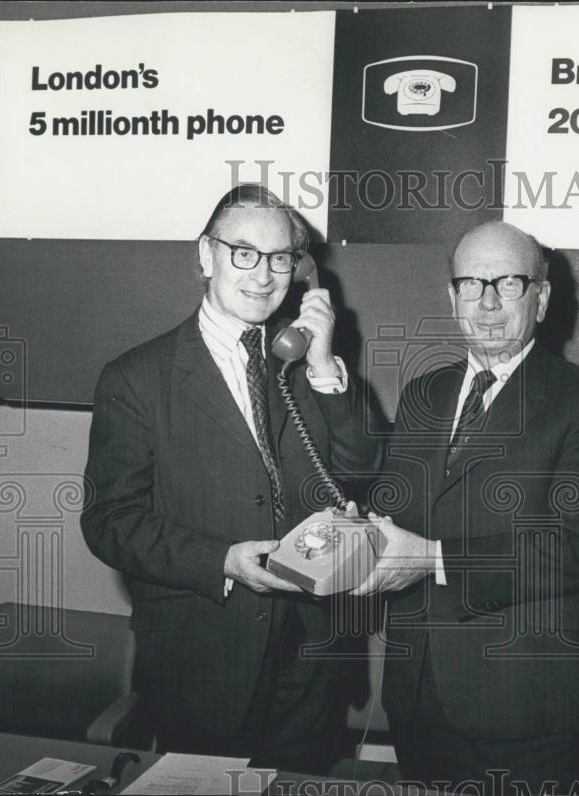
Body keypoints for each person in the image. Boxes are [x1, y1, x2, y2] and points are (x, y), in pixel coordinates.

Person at [81, 184, 379, 770]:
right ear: (206, 255)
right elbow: (108, 522)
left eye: (281, 258)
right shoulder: (136, 378)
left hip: (310, 659)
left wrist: (323, 366)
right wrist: (220, 558)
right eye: (244, 252)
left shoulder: (305, 366)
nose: (264, 275)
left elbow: (362, 473)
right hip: (202, 660)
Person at [353, 221, 579, 794]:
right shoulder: (423, 393)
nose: (488, 303)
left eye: (508, 283)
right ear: (452, 298)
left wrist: (428, 557)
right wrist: (353, 545)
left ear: (542, 298)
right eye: (472, 284)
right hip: (418, 693)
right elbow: (393, 508)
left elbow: (569, 552)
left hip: (524, 704)